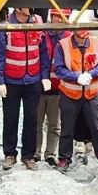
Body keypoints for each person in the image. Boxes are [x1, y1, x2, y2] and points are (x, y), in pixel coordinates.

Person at [0, 7, 51, 170]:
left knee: (32, 119)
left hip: (32, 79)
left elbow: (44, 52)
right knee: (10, 118)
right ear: (18, 8)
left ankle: (28, 155)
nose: (31, 8)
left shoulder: (38, 23)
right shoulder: (5, 26)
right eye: (27, 5)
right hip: (11, 81)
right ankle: (10, 154)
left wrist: (45, 76)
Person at [52, 27, 98, 172]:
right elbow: (59, 68)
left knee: (96, 126)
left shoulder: (96, 43)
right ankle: (64, 158)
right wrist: (76, 77)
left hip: (91, 94)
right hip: (69, 93)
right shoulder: (63, 45)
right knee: (67, 128)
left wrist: (91, 74)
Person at [36, 10, 68, 166]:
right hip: (40, 85)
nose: (58, 19)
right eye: (56, 16)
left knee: (55, 124)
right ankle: (35, 152)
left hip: (58, 87)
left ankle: (50, 154)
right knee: (37, 121)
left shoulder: (68, 36)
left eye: (61, 17)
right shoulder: (42, 34)